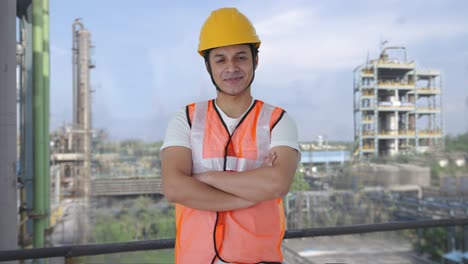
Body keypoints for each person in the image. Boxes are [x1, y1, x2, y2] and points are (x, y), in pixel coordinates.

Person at [161, 7, 300, 264]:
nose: (232, 67)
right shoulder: (186, 120)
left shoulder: (278, 121)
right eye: (220, 59)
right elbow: (173, 187)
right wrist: (250, 193)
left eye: (240, 57)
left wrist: (205, 177)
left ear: (255, 60)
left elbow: (277, 184)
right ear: (208, 66)